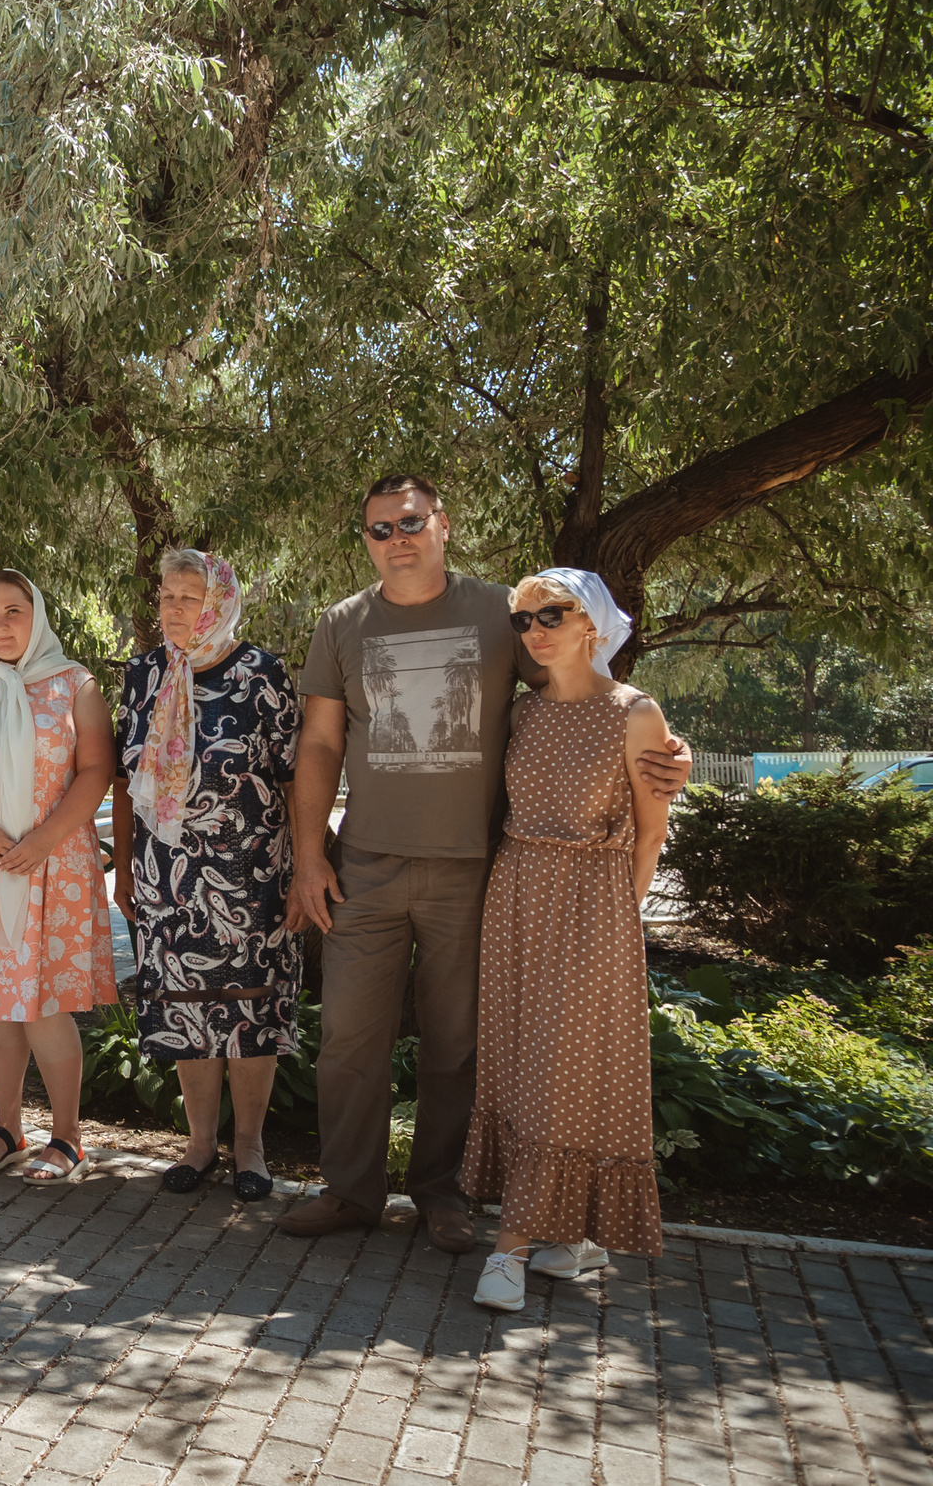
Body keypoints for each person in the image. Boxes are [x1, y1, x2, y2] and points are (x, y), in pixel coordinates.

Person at [282, 474, 690, 1247]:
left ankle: (445, 1191)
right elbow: (322, 744)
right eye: (378, 529)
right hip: (364, 865)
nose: (395, 538)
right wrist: (310, 856)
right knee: (347, 1040)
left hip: (477, 868)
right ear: (365, 539)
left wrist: (664, 742)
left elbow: (583, 689)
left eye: (409, 522)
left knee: (459, 1042)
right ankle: (350, 1192)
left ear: (443, 523)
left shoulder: (501, 612)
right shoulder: (342, 624)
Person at [466, 570, 671, 1312]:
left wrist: (616, 919)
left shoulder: (634, 712)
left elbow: (652, 833)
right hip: (517, 896)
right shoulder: (525, 712)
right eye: (523, 620)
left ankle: (510, 1245)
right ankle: (570, 1236)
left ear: (594, 621)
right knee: (523, 1061)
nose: (535, 629)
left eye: (551, 613)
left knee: (563, 1063)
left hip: (593, 906)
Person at [113, 549, 303, 1201]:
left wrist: (305, 868)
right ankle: (200, 1142)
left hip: (251, 877)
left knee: (249, 1014)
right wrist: (122, 868)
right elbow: (124, 777)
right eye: (166, 596)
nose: (173, 609)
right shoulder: (142, 674)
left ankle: (248, 1144)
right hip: (166, 877)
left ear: (219, 602)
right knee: (189, 1014)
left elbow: (294, 776)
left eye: (188, 597)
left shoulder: (262, 673)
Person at [0, 570, 121, 1184]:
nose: (2, 625)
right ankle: (9, 1126)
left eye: (14, 611)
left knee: (44, 1006)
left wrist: (42, 840)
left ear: (37, 616)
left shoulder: (75, 685)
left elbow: (96, 769)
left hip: (50, 864)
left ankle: (69, 1137)